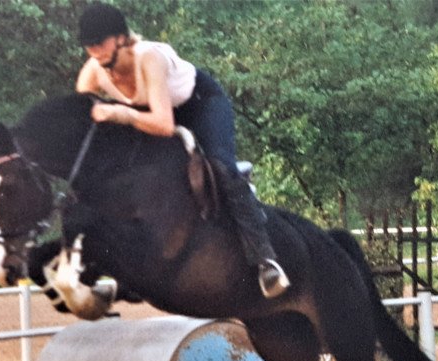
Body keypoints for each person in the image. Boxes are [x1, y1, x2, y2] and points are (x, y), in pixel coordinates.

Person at [75, 2, 289, 298]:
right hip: (154, 113)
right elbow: (81, 118)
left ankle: (265, 260)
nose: (95, 51)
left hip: (200, 104)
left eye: (100, 43)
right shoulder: (92, 73)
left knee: (219, 165)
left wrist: (121, 115)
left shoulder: (148, 58)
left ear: (121, 38)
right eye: (89, 46)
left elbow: (163, 124)